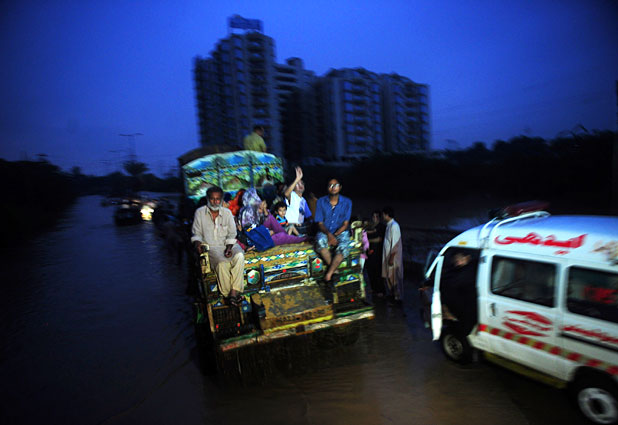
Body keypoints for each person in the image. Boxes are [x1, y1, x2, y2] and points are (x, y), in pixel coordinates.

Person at [191, 186, 245, 306]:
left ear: (221, 200)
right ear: (208, 199)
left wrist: (229, 247)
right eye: (212, 199)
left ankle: (233, 292)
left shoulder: (227, 213)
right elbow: (196, 234)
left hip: (229, 244)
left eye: (218, 199)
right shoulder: (200, 213)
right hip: (212, 247)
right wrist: (198, 243)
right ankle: (229, 295)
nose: (215, 202)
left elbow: (232, 234)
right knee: (222, 264)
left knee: (240, 256)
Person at [315, 178, 352, 283]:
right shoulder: (321, 201)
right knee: (320, 243)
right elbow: (320, 223)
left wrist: (335, 235)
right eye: (330, 185)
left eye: (335, 185)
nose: (333, 187)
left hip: (340, 231)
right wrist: (329, 235)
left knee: (343, 247)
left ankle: (329, 274)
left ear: (340, 187)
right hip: (325, 231)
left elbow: (345, 224)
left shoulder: (347, 202)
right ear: (327, 188)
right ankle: (334, 271)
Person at [238, 188, 306, 246]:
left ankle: (291, 237)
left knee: (271, 220)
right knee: (281, 237)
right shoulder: (247, 213)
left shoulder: (257, 210)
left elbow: (265, 221)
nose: (263, 206)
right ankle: (298, 238)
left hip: (264, 234)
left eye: (264, 203)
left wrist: (265, 211)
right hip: (255, 239)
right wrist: (265, 231)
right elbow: (248, 230)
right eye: (262, 203)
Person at [441, 250, 478, 335]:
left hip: (469, 307)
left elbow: (454, 282)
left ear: (468, 258)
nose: (457, 263)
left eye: (460, 259)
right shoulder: (462, 268)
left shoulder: (469, 270)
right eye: (456, 260)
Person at [382, 206, 403, 303]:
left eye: (383, 214)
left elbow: (395, 243)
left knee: (394, 277)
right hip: (388, 256)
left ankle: (397, 298)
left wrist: (391, 257)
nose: (383, 216)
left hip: (392, 257)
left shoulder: (394, 226)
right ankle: (392, 295)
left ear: (387, 215)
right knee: (389, 277)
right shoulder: (389, 225)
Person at [284, 166, 312, 233]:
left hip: (300, 227)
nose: (300, 185)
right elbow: (286, 194)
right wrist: (297, 179)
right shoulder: (292, 195)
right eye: (297, 184)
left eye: (302, 183)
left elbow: (308, 216)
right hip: (289, 226)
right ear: (293, 187)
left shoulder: (303, 200)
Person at [365, 210, 386, 297]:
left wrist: (368, 241)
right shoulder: (370, 227)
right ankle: (374, 289)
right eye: (373, 217)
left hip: (378, 253)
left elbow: (379, 239)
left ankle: (381, 290)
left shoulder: (381, 227)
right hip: (369, 253)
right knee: (370, 271)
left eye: (377, 217)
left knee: (378, 272)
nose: (375, 218)